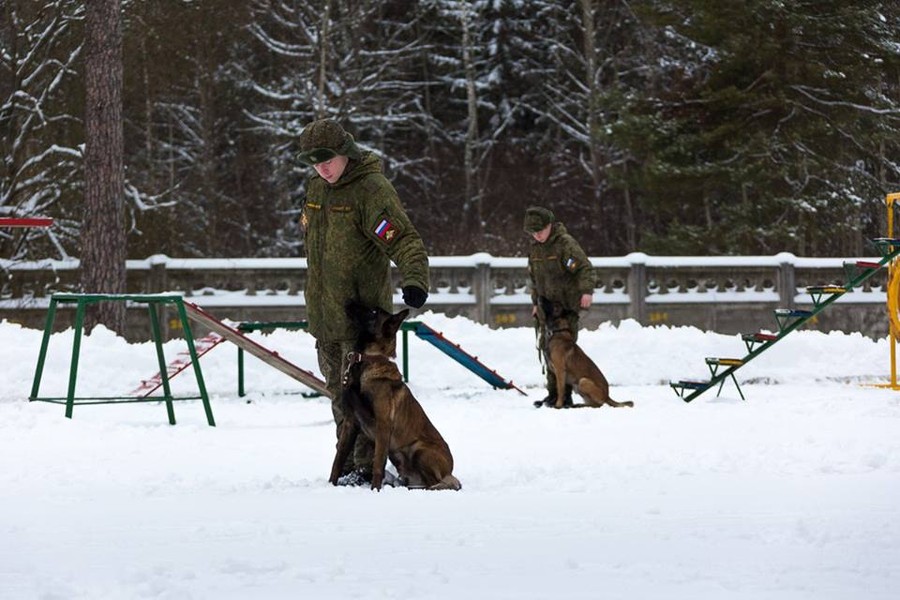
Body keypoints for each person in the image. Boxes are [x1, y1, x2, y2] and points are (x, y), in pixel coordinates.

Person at [297, 118, 430, 485]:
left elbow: (403, 239)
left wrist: (415, 278)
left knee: (367, 399)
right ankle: (349, 463)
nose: (322, 169)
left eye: (328, 160)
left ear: (346, 153)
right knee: (341, 399)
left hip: (362, 325)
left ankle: (365, 467)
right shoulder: (315, 189)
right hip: (325, 319)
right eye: (314, 162)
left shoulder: (371, 190)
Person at [524, 206, 595, 408]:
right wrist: (536, 303)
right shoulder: (535, 249)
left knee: (565, 352)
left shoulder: (565, 244)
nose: (537, 235)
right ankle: (553, 393)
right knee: (548, 351)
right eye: (533, 232)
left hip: (565, 309)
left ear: (550, 226)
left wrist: (586, 291)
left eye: (540, 231)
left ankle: (566, 395)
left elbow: (584, 268)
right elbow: (534, 279)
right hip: (546, 308)